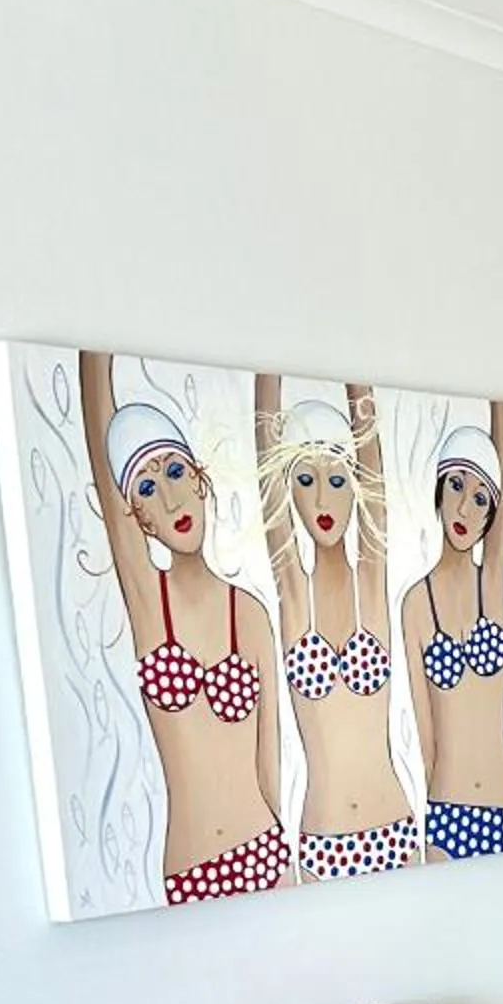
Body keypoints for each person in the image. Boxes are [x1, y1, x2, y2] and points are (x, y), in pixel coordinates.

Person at [75, 352, 289, 903]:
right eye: (146, 489)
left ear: (200, 479)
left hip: (266, 851)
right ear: (135, 517)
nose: (168, 498)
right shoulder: (151, 605)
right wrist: (92, 347)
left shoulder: (251, 614)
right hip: (189, 869)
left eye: (174, 472)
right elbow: (103, 459)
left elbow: (271, 767)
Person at [255, 377, 420, 879]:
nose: (323, 500)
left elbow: (373, 461)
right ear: (288, 493)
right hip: (322, 838)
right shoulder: (292, 590)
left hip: (395, 825)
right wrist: (268, 375)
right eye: (304, 481)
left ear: (356, 485)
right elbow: (265, 449)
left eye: (338, 479)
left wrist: (357, 379)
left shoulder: (371, 580)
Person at [402, 406, 503, 861]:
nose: (463, 507)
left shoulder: (490, 585)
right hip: (447, 811)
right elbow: (425, 734)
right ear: (438, 489)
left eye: (480, 499)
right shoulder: (416, 602)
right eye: (456, 485)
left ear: (491, 515)